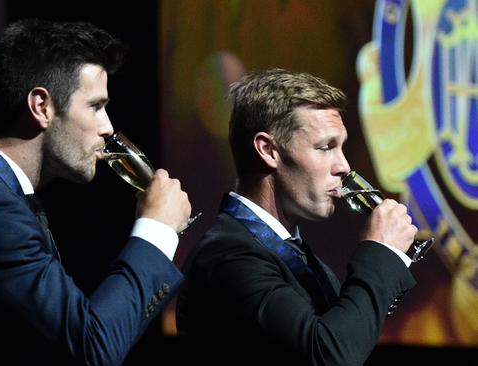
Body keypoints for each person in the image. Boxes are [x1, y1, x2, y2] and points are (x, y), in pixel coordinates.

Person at [0, 19, 191, 365]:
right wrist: (156, 230)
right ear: (41, 106)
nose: (108, 128)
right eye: (95, 106)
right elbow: (93, 347)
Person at [175, 68, 417, 365]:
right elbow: (329, 355)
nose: (344, 166)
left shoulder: (291, 253)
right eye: (325, 147)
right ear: (269, 150)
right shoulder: (228, 256)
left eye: (341, 147)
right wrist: (381, 254)